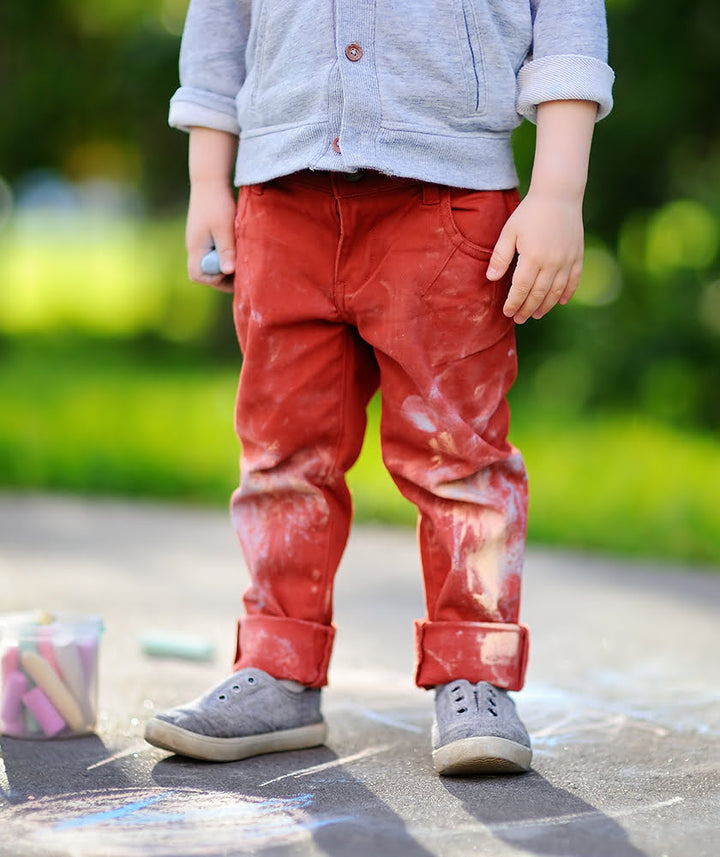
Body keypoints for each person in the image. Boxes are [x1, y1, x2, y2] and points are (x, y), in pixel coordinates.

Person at [144, 0, 614, 776]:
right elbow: (220, 19)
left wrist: (559, 191)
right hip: (278, 200)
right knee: (281, 454)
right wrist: (206, 180)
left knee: (460, 459)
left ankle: (476, 671)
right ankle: (279, 665)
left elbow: (567, 17)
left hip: (448, 205)